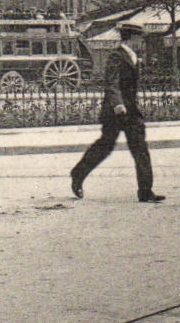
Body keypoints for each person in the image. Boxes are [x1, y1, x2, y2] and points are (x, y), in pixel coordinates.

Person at [70, 21, 165, 203]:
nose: (142, 43)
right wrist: (118, 105)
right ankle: (78, 174)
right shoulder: (116, 56)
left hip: (131, 112)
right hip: (115, 112)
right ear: (133, 38)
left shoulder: (132, 57)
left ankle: (145, 191)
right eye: (141, 39)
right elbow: (111, 84)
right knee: (105, 146)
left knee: (140, 149)